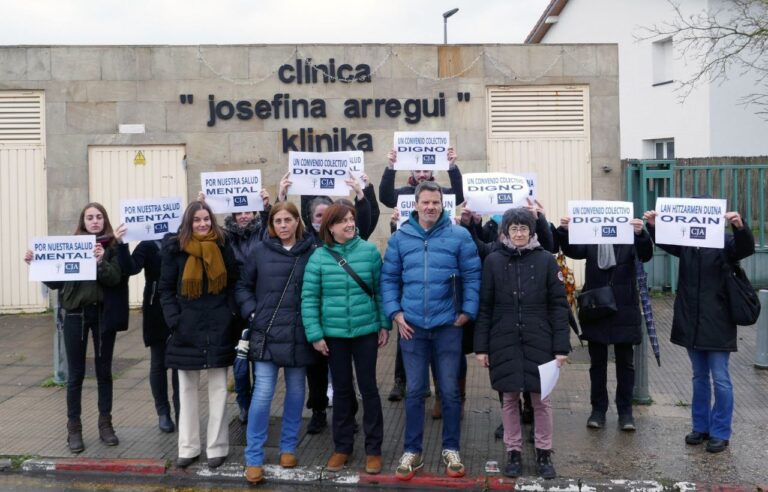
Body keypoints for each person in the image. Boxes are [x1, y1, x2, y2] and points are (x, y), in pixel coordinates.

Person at [380, 181, 481, 481]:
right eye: (425, 202)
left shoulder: (460, 236)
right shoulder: (401, 238)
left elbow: (474, 275)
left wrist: (467, 312)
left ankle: (451, 449)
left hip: (448, 325)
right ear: (415, 204)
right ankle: (412, 450)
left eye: (435, 202)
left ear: (442, 204)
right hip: (412, 327)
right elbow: (389, 278)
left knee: (449, 391)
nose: (430, 207)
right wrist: (395, 313)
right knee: (414, 390)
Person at [644, 207, 754, 453]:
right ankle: (700, 427)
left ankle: (720, 432)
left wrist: (739, 226)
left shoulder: (725, 243)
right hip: (692, 322)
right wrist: (653, 226)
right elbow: (666, 241)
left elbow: (745, 248)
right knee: (699, 377)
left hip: (718, 322)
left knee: (721, 379)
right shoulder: (687, 243)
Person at [474, 208, 570, 479]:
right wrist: (481, 347)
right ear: (505, 231)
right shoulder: (493, 261)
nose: (519, 233)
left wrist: (561, 347)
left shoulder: (546, 261)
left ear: (532, 231)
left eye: (524, 229)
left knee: (542, 400)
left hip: (539, 339)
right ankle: (513, 452)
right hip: (503, 339)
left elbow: (558, 306)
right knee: (509, 399)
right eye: (514, 229)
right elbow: (485, 308)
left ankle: (544, 453)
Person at [24, 203, 127, 453]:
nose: (95, 221)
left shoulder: (112, 247)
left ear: (105, 220)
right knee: (76, 374)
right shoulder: (70, 245)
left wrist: (101, 260)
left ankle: (105, 424)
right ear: (83, 221)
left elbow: (115, 278)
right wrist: (36, 263)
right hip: (75, 315)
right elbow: (57, 281)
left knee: (104, 372)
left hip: (102, 315)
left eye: (99, 217)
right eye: (90, 217)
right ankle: (74, 428)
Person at [301, 202, 390, 475]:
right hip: (334, 335)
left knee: (369, 389)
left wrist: (383, 324)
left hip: (365, 332)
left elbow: (379, 291)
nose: (350, 224)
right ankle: (342, 448)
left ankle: (373, 449)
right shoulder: (318, 257)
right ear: (330, 227)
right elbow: (309, 298)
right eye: (343, 221)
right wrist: (315, 335)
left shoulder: (370, 252)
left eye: (352, 219)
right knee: (341, 391)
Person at [235, 202, 317, 484]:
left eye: (288, 220)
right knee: (263, 394)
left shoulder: (311, 251)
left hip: (298, 333)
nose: (283, 225)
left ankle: (288, 448)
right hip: (266, 332)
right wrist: (252, 311)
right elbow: (242, 286)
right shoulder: (259, 251)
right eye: (278, 221)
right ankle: (254, 456)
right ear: (272, 224)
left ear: (297, 222)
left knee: (296, 393)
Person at [158, 201, 239, 469]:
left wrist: (230, 315)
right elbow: (166, 290)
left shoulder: (223, 245)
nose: (202, 224)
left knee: (218, 389)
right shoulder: (174, 249)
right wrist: (174, 321)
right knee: (186, 390)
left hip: (218, 327)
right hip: (186, 329)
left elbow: (233, 282)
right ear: (188, 223)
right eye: (197, 220)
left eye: (206, 219)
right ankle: (188, 447)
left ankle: (217, 447)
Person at [556, 215, 653, 431]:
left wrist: (641, 234)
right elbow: (573, 250)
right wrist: (565, 230)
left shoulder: (629, 239)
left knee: (626, 364)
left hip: (624, 309)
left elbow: (646, 254)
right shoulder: (592, 237)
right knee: (597, 364)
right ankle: (598, 410)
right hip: (597, 308)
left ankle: (625, 412)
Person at [198, 189, 271, 424]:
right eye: (239, 212)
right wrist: (202, 206)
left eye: (248, 210)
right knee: (240, 362)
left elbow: (274, 229)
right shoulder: (225, 236)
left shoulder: (263, 233)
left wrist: (269, 206)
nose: (244, 216)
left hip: (259, 304)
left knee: (258, 360)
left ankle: (259, 406)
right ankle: (244, 404)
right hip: (233, 307)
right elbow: (206, 232)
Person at [114, 225, 180, 433]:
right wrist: (121, 244)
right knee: (158, 362)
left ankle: (182, 411)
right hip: (155, 307)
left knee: (180, 363)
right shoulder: (147, 245)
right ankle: (163, 412)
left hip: (180, 306)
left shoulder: (180, 241)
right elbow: (131, 268)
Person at [378, 146, 464, 208]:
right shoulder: (403, 193)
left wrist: (451, 167)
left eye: (426, 171)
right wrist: (391, 168)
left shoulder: (441, 192)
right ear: (412, 172)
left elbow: (459, 196)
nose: (422, 174)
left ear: (432, 172)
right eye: (417, 171)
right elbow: (385, 198)